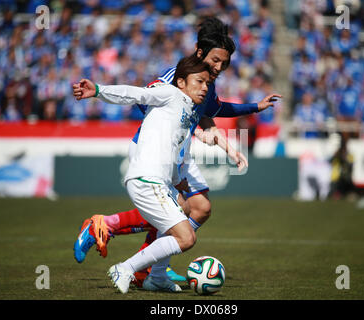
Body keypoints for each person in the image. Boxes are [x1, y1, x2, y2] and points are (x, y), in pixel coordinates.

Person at [73, 17, 281, 286]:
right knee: (184, 209)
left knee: (198, 207)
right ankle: (115, 236)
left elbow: (213, 110)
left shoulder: (206, 82)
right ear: (199, 53)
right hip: (155, 150)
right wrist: (170, 130)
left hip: (178, 151)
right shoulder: (179, 76)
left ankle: (153, 269)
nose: (220, 67)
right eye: (216, 60)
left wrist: (253, 109)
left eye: (224, 63)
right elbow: (145, 96)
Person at [77, 55, 213, 293]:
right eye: (199, 81)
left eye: (207, 84)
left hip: (160, 181)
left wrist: (177, 180)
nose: (204, 88)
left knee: (175, 218)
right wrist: (98, 90)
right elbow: (135, 94)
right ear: (181, 82)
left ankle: (157, 277)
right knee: (186, 238)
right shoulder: (170, 94)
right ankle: (126, 268)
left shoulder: (189, 112)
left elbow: (171, 151)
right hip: (147, 179)